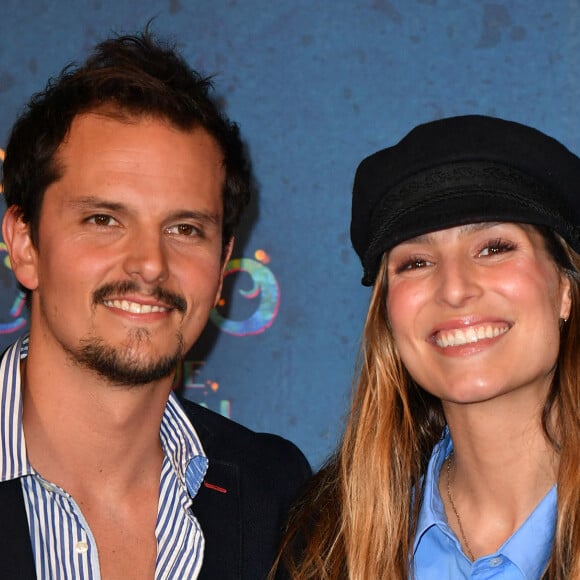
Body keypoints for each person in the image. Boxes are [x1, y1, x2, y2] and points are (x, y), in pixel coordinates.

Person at [0, 31, 311, 579]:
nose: (149, 263)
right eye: (103, 220)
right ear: (25, 245)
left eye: (185, 228)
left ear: (223, 264)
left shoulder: (274, 492)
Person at [272, 115, 580, 579]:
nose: (454, 289)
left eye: (494, 248)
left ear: (564, 290)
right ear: (388, 316)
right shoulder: (325, 539)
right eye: (416, 261)